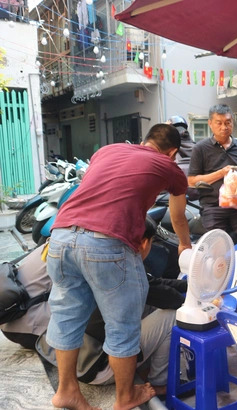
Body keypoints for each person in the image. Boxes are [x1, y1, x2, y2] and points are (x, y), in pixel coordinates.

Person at [45, 123, 191, 410]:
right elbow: (178, 216)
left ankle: (66, 390)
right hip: (106, 242)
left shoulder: (108, 150)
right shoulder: (168, 166)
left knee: (67, 316)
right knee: (122, 324)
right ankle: (126, 397)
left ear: (144, 140)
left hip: (61, 237)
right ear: (172, 152)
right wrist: (185, 244)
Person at [37, 217, 187, 397]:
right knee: (172, 315)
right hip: (98, 367)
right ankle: (159, 383)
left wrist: (190, 284)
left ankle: (143, 368)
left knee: (150, 308)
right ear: (144, 242)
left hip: (75, 360)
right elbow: (171, 300)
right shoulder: (128, 272)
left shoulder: (107, 258)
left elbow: (154, 283)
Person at [187, 104, 237, 318]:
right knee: (217, 252)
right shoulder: (200, 149)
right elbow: (192, 180)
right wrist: (220, 173)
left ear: (232, 123)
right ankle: (218, 296)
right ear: (210, 124)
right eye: (219, 123)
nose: (224, 127)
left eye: (228, 122)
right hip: (212, 207)